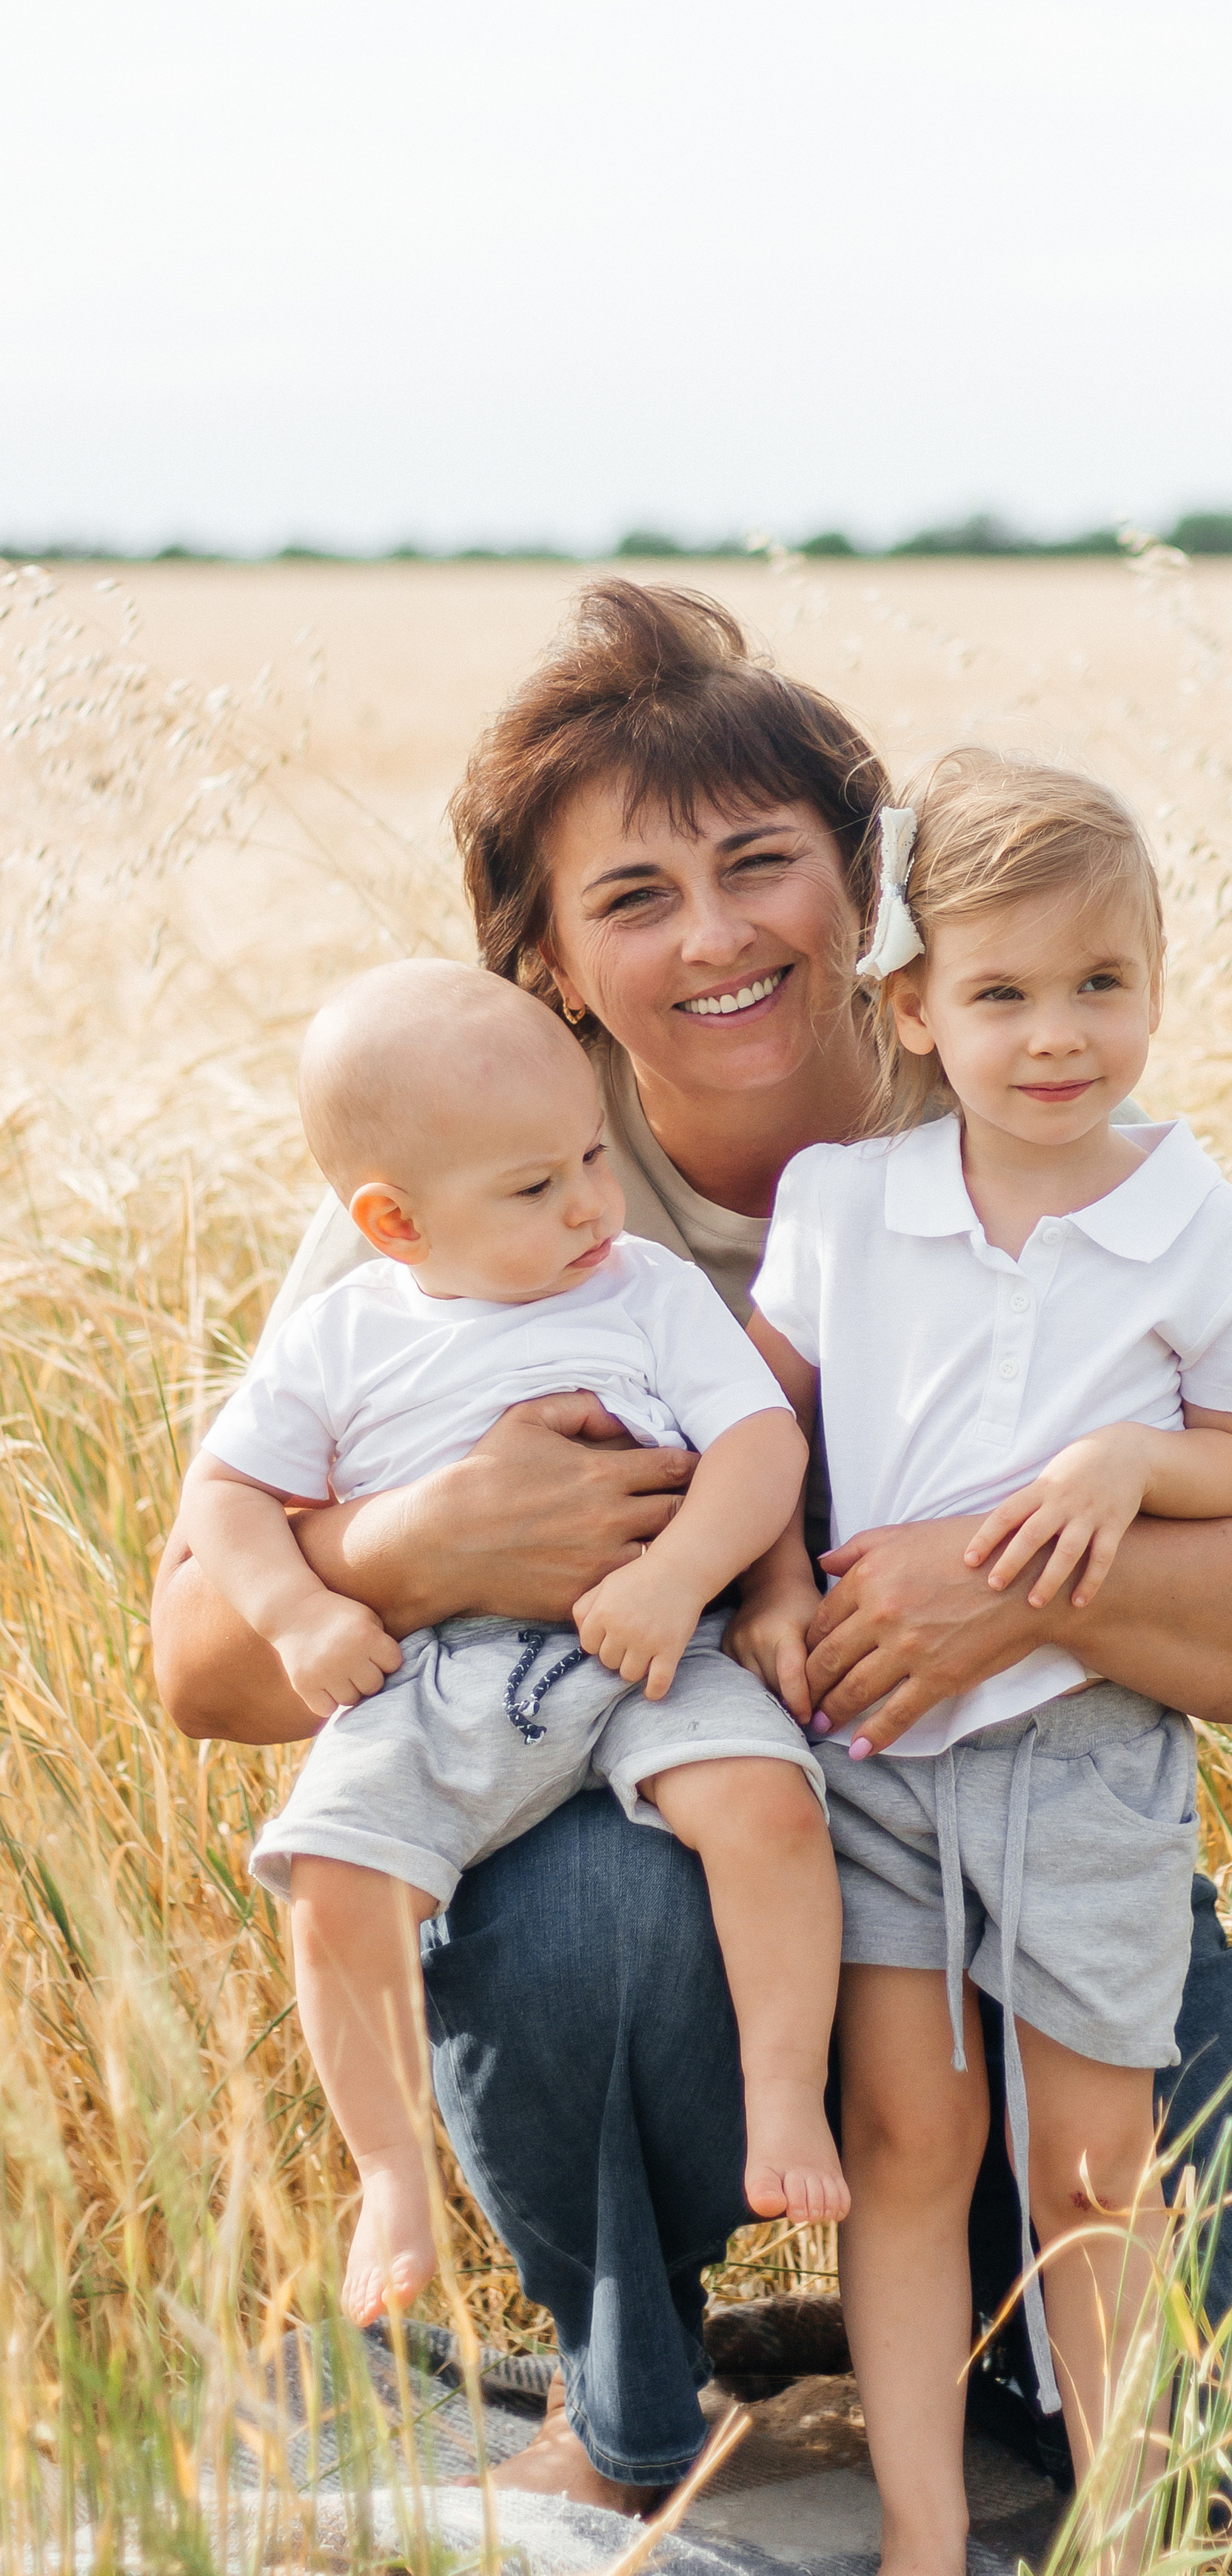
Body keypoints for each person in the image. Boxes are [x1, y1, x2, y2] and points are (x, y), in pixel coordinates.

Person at [150, 580, 1232, 2515]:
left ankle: (1000, 2343)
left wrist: (1002, 1580)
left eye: (763, 865)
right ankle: (634, 2389)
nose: (717, 936)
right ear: (551, 971)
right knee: (589, 1897)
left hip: (1036, 1873)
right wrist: (415, 1548)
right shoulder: (473, 1184)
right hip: (694, 1860)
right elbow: (200, 1664)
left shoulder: (1019, 1116)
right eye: (633, 901)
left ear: (868, 897)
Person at [741, 754, 1232, 2572]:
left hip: (1082, 1755)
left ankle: (1122, 2532)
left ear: (1153, 987)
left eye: (1100, 986)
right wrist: (765, 1585)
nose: (1055, 1036)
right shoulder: (846, 1204)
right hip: (879, 1749)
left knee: (1087, 2165)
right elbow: (765, 1430)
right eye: (998, 994)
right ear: (912, 1007)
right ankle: (924, 2528)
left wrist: (1126, 1465)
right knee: (908, 2135)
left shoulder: (1211, 1231)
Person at [181, 958, 843, 2329]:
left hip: (652, 1646)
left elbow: (759, 1444)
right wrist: (310, 1609)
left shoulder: (646, 1290)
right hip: (434, 1680)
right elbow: (225, 1501)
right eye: (536, 1189)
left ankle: (786, 2095)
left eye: (594, 1156)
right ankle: (390, 2169)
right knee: (338, 1885)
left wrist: (678, 1579)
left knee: (769, 1809)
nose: (593, 1203)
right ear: (396, 1222)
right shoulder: (343, 1337)